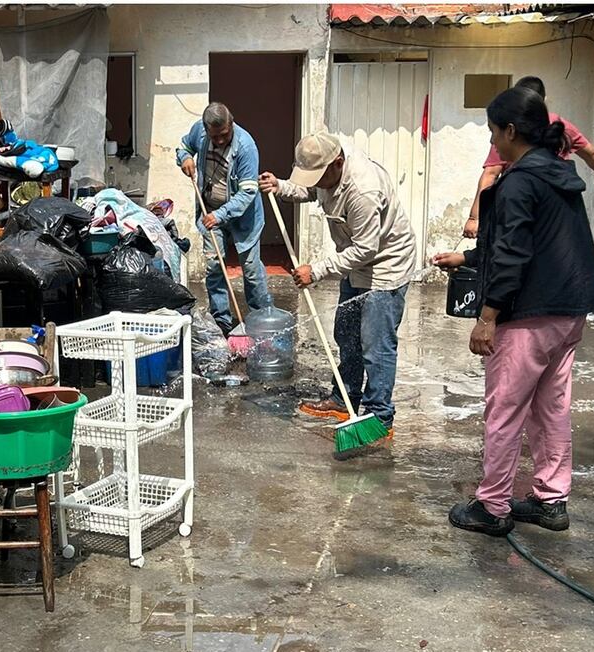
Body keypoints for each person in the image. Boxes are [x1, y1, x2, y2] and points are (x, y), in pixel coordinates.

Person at [434, 86, 594, 536]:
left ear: (510, 131)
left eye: (494, 133)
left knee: (506, 409)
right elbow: (537, 244)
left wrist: (487, 316)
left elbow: (513, 254)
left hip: (529, 314)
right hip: (568, 310)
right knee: (552, 407)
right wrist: (469, 259)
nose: (492, 143)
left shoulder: (519, 181)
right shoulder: (558, 173)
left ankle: (491, 508)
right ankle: (551, 500)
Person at [258, 131, 416, 446]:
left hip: (384, 266)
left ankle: (379, 418)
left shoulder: (362, 190)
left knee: (376, 346)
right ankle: (344, 400)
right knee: (346, 334)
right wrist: (281, 186)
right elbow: (310, 191)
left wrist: (316, 270)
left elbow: (366, 249)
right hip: (354, 264)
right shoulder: (329, 172)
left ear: (337, 163)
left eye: (319, 176)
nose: (316, 182)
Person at [462, 76, 594, 239]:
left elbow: (491, 173)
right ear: (543, 100)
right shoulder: (560, 129)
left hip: (520, 207)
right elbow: (591, 153)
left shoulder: (508, 135)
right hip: (555, 216)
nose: (492, 140)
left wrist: (474, 218)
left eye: (493, 132)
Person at [177, 102, 271, 335]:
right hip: (209, 210)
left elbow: (248, 192)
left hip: (242, 217)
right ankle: (222, 323)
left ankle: (262, 322)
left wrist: (220, 215)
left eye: (224, 135)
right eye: (214, 136)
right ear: (206, 129)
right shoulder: (198, 130)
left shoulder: (246, 147)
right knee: (214, 266)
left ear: (232, 123)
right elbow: (183, 147)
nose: (219, 141)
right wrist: (185, 158)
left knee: (250, 269)